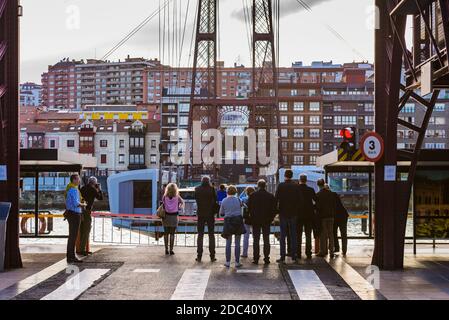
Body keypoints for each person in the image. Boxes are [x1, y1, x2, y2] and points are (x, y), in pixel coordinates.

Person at [275, 169, 303, 263]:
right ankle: (294, 255)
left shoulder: (281, 186)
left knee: (283, 235)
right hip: (293, 213)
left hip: (283, 213)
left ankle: (282, 256)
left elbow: (276, 199)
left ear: (285, 176)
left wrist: (277, 211)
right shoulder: (296, 186)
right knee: (293, 234)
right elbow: (300, 200)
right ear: (292, 176)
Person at [248, 179, 276, 265]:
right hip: (266, 220)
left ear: (258, 186)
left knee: (256, 240)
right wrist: (271, 218)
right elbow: (274, 209)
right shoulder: (270, 196)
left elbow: (249, 208)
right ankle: (266, 258)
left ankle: (256, 258)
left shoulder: (252, 195)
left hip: (255, 220)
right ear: (265, 186)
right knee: (266, 240)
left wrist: (252, 217)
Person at [220, 185, 246, 268]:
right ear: (235, 192)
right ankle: (237, 262)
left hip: (228, 222)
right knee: (237, 243)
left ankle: (227, 262)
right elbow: (244, 206)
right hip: (238, 221)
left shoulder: (224, 200)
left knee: (228, 242)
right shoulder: (239, 200)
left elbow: (221, 213)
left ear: (227, 192)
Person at [194, 176, 218, 262]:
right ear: (209, 181)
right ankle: (212, 255)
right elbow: (215, 201)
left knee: (200, 235)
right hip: (210, 214)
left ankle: (199, 255)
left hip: (200, 214)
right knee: (211, 235)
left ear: (201, 181)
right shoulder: (212, 189)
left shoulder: (197, 189)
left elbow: (196, 199)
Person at [78, 176, 103, 256]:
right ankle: (82, 250)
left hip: (80, 211)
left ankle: (80, 248)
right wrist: (99, 189)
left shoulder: (82, 188)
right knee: (86, 230)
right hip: (87, 211)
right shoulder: (93, 189)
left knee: (81, 229)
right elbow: (100, 198)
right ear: (94, 183)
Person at [65, 173, 86, 263]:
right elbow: (75, 203)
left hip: (71, 214)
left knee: (72, 236)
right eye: (77, 179)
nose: (79, 180)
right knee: (73, 236)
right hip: (74, 214)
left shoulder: (71, 189)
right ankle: (71, 257)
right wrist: (83, 205)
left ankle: (70, 256)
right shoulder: (73, 190)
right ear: (73, 180)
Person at [297, 175, 317, 259]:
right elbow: (316, 200)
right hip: (309, 215)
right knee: (308, 234)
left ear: (299, 180)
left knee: (298, 234)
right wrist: (313, 207)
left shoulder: (296, 189)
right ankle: (308, 253)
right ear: (306, 180)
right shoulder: (310, 190)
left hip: (298, 215)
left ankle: (298, 253)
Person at [161, 183, 185, 255]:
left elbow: (163, 204)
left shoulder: (164, 197)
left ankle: (166, 249)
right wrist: (179, 207)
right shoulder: (177, 197)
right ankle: (171, 250)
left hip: (166, 217)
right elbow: (182, 202)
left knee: (166, 233)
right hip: (174, 217)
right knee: (172, 234)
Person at [315, 179, 336, 258]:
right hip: (331, 216)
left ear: (318, 185)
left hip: (323, 217)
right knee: (331, 234)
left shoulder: (318, 194)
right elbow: (334, 205)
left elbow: (318, 207)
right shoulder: (331, 194)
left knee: (323, 234)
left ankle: (323, 251)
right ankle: (331, 251)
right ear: (324, 184)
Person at [331, 186, 349, 256]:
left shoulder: (329, 196)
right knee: (343, 233)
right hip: (343, 215)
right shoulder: (334, 194)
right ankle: (344, 250)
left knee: (334, 232)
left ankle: (337, 248)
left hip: (336, 216)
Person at [240, 186, 255, 258]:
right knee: (255, 237)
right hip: (255, 219)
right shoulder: (256, 199)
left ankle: (244, 253)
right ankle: (256, 252)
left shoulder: (244, 199)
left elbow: (239, 198)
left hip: (247, 219)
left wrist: (243, 192)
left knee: (246, 237)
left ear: (247, 192)